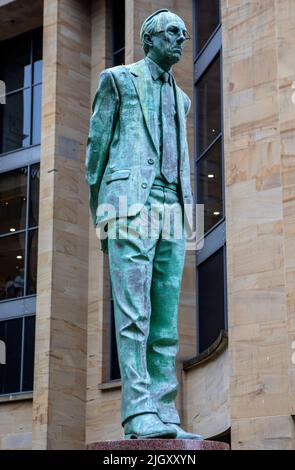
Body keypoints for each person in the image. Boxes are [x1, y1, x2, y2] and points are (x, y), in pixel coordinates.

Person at [86, 9, 202, 440]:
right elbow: (95, 152)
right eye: (173, 32)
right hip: (128, 206)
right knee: (134, 314)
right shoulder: (117, 80)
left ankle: (165, 411)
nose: (181, 39)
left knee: (166, 320)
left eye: (185, 34)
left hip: (174, 211)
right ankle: (137, 412)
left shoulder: (183, 99)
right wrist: (104, 214)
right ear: (148, 38)